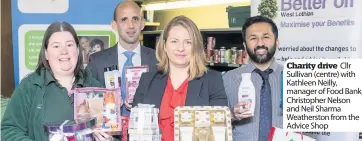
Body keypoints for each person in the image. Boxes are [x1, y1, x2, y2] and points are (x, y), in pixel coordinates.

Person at [0, 22, 112, 141]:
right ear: (46, 53)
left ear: (78, 50)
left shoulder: (95, 87)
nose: (64, 51)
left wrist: (108, 138)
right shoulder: (30, 87)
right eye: (56, 46)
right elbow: (9, 130)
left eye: (69, 45)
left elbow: (111, 130)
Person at [132, 15, 228, 141]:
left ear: (196, 47)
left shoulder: (213, 81)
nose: (181, 48)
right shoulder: (147, 80)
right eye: (174, 41)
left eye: (188, 42)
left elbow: (219, 131)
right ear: (164, 45)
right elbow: (135, 130)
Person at [85, 0, 158, 140]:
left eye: (135, 19)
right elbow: (87, 102)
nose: (131, 25)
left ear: (142, 23)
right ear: (114, 25)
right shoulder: (97, 62)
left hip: (147, 134)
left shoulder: (158, 60)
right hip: (108, 136)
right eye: (124, 20)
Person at [222, 16, 284, 141]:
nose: (260, 43)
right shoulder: (227, 79)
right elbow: (214, 122)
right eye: (253, 38)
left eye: (266, 37)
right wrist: (232, 115)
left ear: (277, 42)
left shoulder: (294, 78)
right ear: (245, 45)